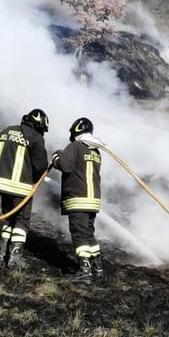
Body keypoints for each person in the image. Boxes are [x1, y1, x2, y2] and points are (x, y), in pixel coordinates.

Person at [0, 109, 50, 269]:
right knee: (22, 221)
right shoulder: (35, 138)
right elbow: (40, 166)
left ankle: (0, 257)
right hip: (20, 186)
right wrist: (36, 180)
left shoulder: (6, 131)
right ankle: (15, 260)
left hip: (1, 183)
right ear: (39, 125)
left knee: (7, 218)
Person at [52, 116, 103, 281]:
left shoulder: (75, 146)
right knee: (88, 233)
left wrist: (56, 157)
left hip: (78, 198)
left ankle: (85, 271)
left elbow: (65, 166)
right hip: (93, 200)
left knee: (79, 234)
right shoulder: (96, 151)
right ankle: (98, 267)